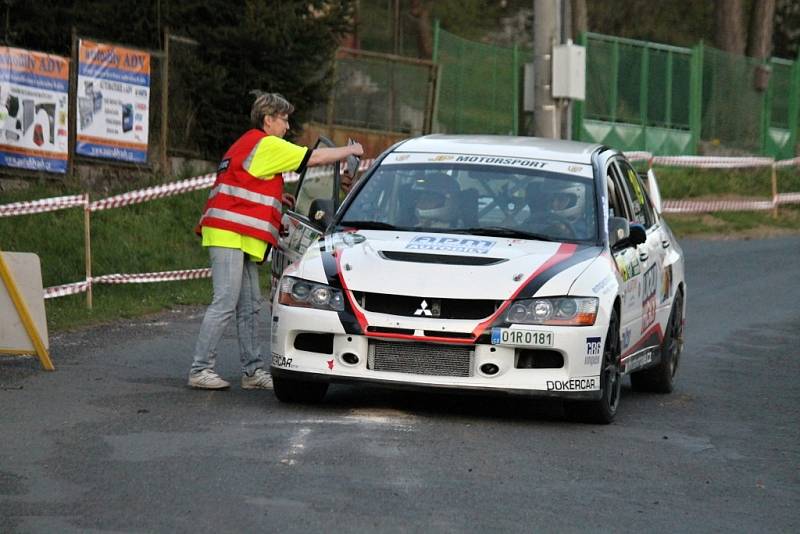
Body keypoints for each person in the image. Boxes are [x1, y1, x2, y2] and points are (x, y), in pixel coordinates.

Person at [188, 92, 363, 390]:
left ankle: (253, 371)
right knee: (225, 302)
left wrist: (275, 197)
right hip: (230, 234)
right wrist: (351, 151)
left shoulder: (249, 143)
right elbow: (314, 157)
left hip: (235, 234)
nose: (287, 126)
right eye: (283, 120)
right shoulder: (267, 144)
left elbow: (242, 181)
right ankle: (200, 368)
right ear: (268, 120)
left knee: (249, 306)